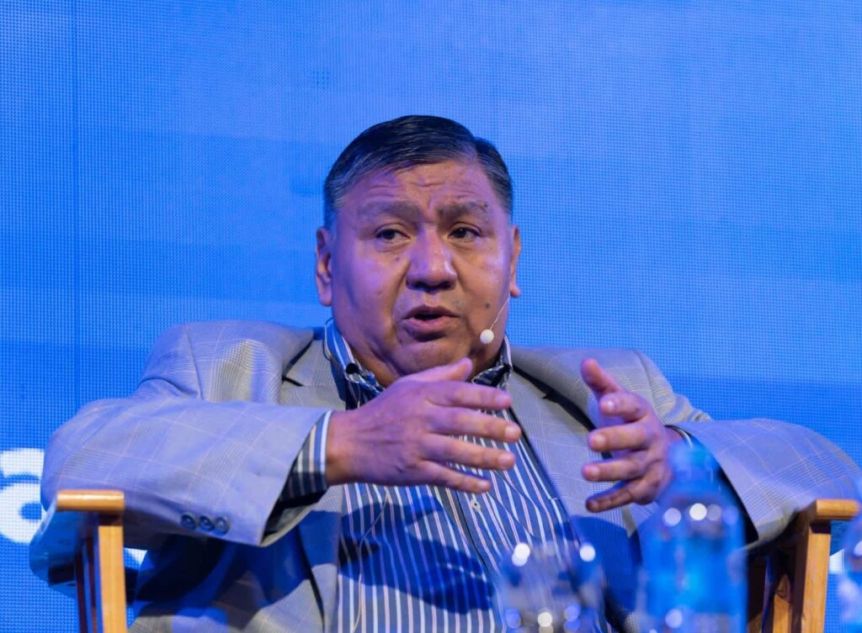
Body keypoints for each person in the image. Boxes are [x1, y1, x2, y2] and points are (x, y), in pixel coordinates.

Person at [40, 115, 860, 633]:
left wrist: (684, 461)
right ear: (326, 265)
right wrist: (339, 444)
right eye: (390, 234)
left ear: (513, 259)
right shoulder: (229, 365)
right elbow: (79, 461)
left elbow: (829, 473)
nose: (433, 268)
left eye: (465, 231)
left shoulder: (609, 392)